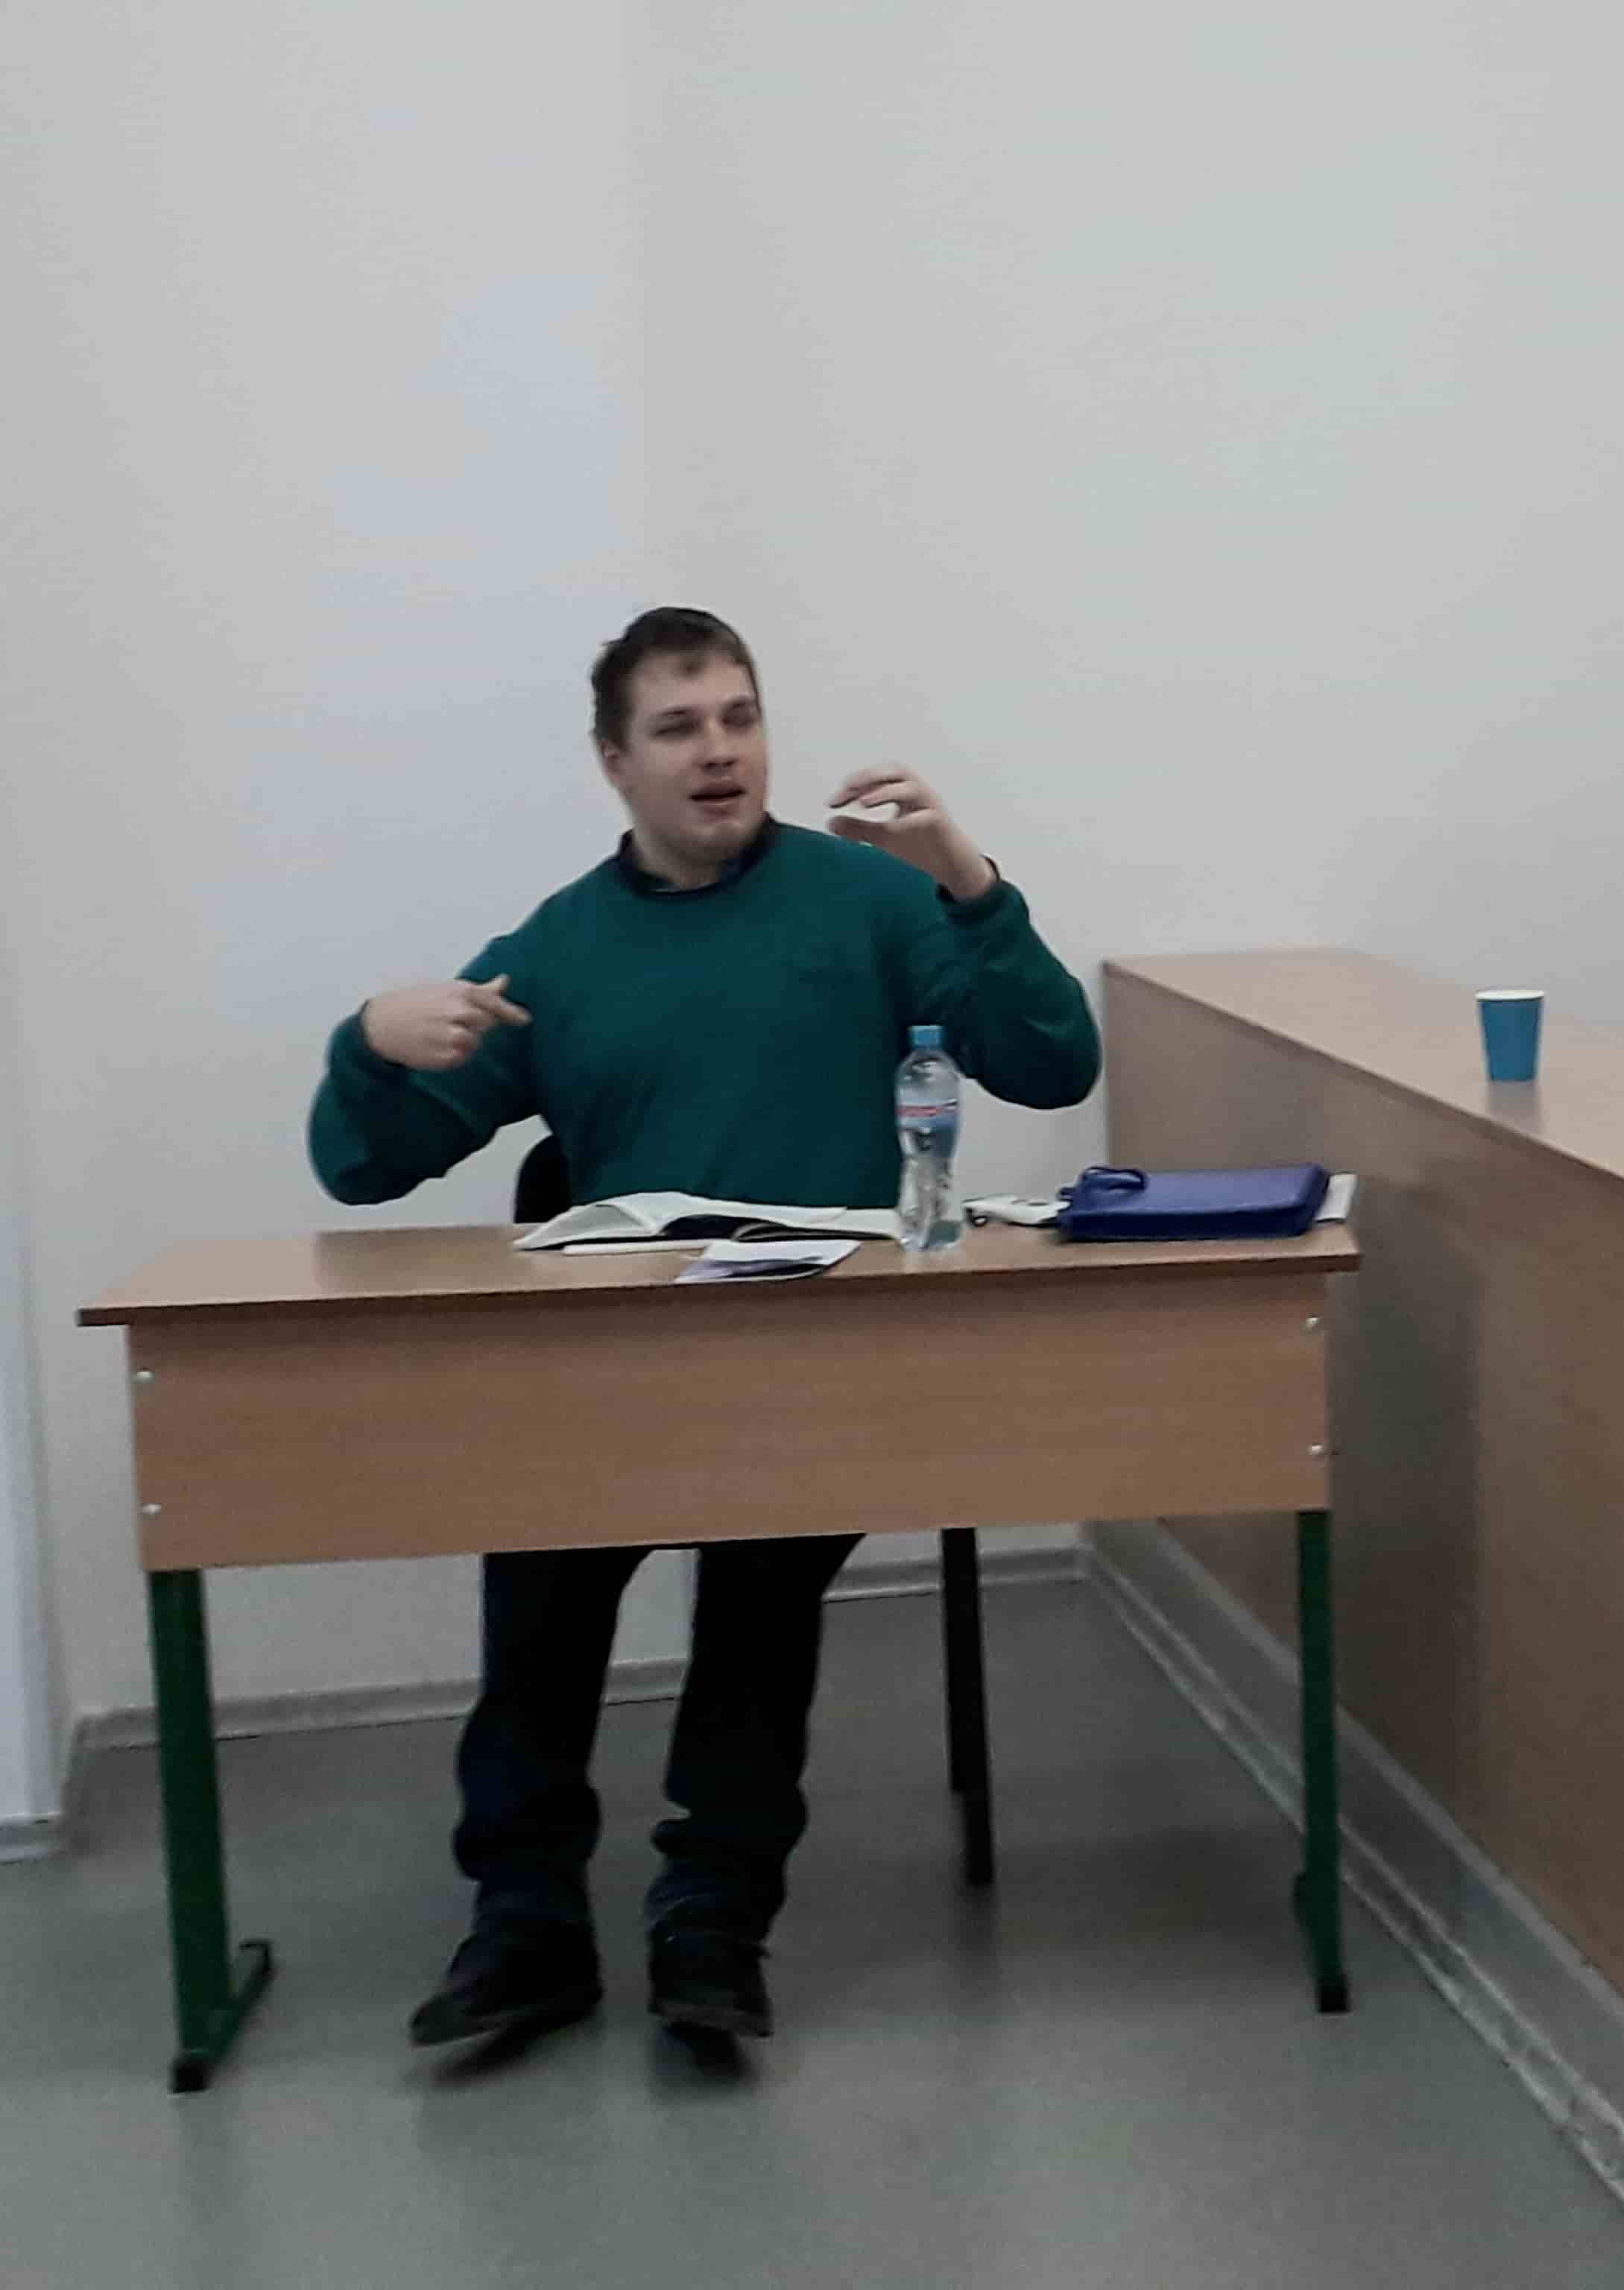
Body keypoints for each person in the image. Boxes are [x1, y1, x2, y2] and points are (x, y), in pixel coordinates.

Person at [309, 606, 1101, 2050]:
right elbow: (363, 1169)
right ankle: (527, 1923)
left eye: (739, 718)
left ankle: (712, 1916)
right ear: (616, 763)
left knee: (763, 1570)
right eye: (678, 728)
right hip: (617, 1368)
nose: (718, 751)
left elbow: (1052, 1064)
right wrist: (365, 1046)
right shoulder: (562, 949)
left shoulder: (870, 903)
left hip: (815, 1359)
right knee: (540, 1571)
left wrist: (968, 882)